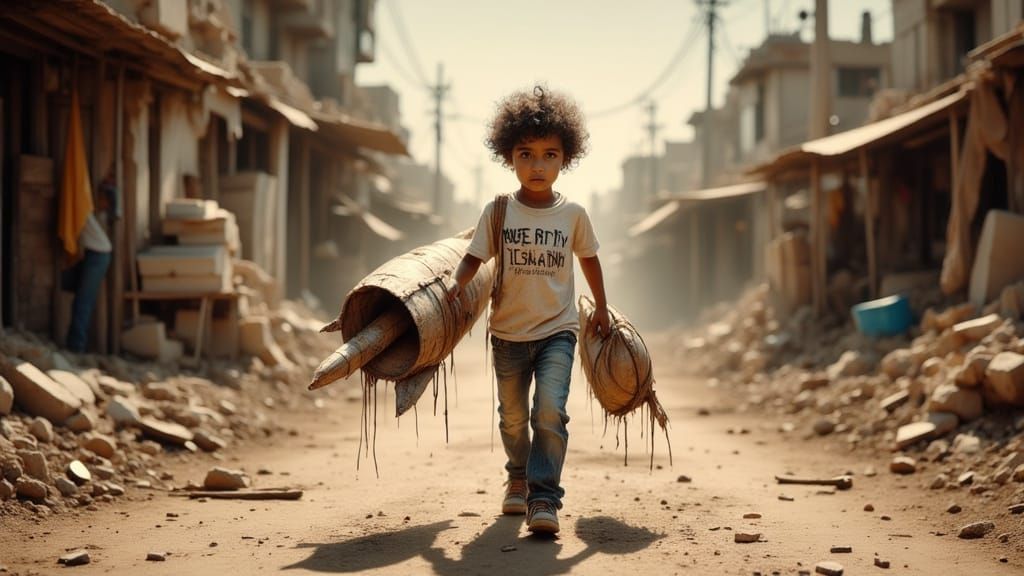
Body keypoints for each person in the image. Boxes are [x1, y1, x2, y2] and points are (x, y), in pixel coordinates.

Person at [447, 86, 610, 534]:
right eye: (526, 154)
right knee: (514, 417)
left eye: (550, 155)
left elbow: (589, 258)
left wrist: (601, 306)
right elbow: (474, 257)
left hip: (558, 329)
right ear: (509, 157)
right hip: (508, 334)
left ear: (565, 159)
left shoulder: (573, 214)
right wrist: (454, 287)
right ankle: (517, 476)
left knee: (550, 411)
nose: (538, 166)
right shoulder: (498, 211)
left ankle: (545, 499)